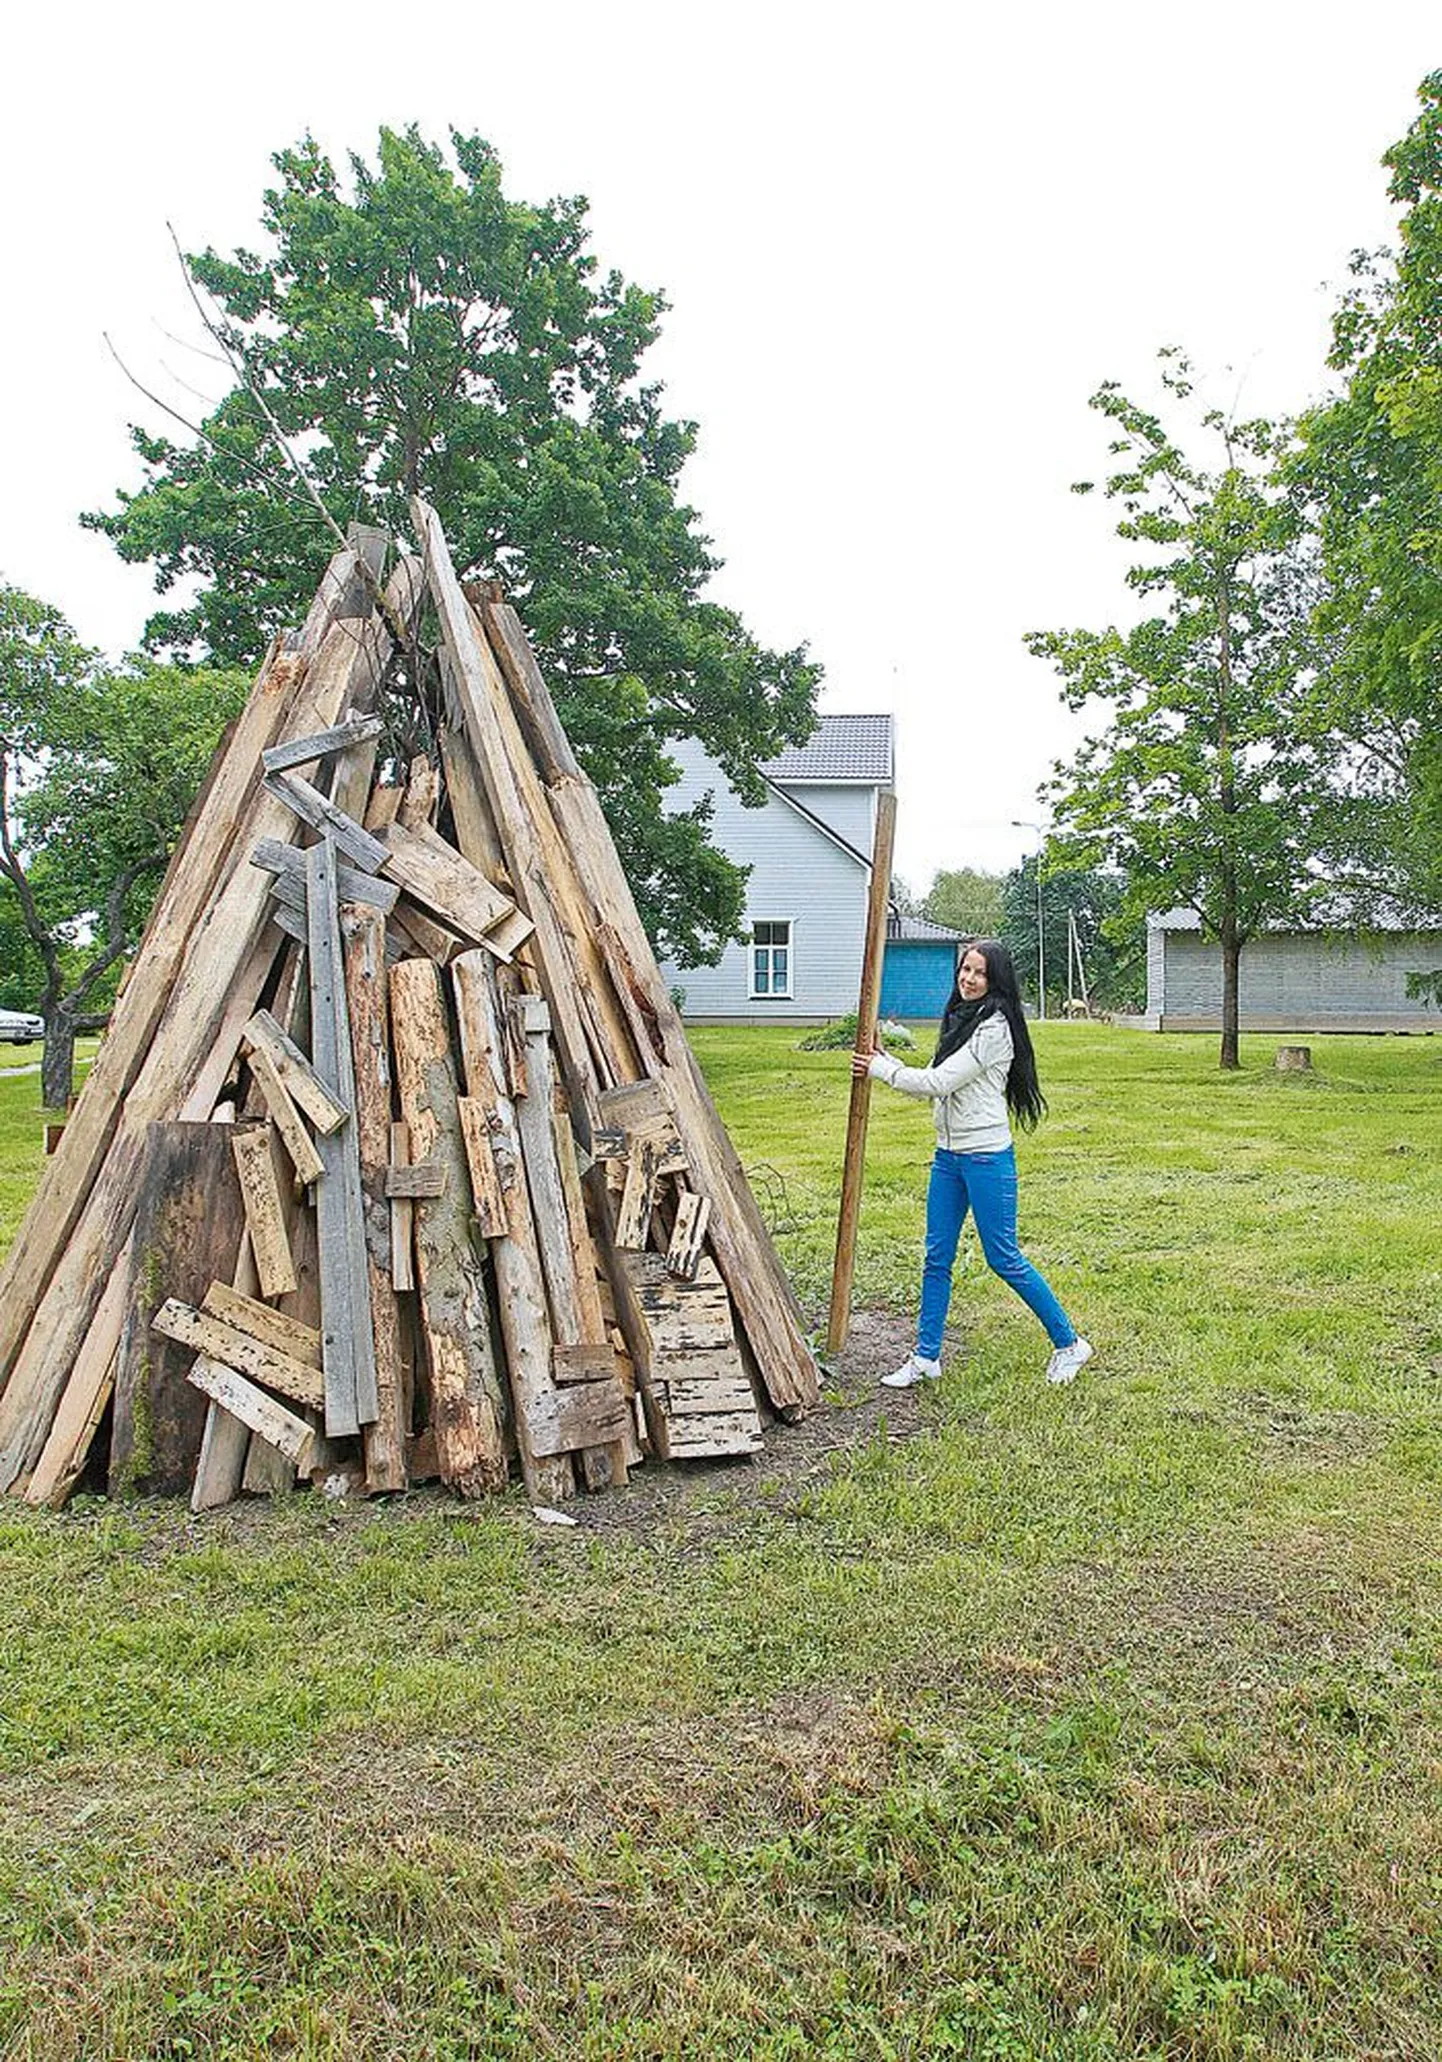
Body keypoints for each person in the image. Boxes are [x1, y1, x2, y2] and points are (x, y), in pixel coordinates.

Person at [851, 937, 1092, 1388]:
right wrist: (889, 1060)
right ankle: (926, 1357)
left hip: (985, 1158)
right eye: (965, 969)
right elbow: (936, 1073)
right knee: (936, 1255)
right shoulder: (962, 1019)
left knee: (1003, 1257)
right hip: (949, 1157)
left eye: (979, 972)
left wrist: (879, 1070)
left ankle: (1070, 1344)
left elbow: (940, 1082)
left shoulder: (995, 1028)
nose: (969, 978)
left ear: (995, 979)